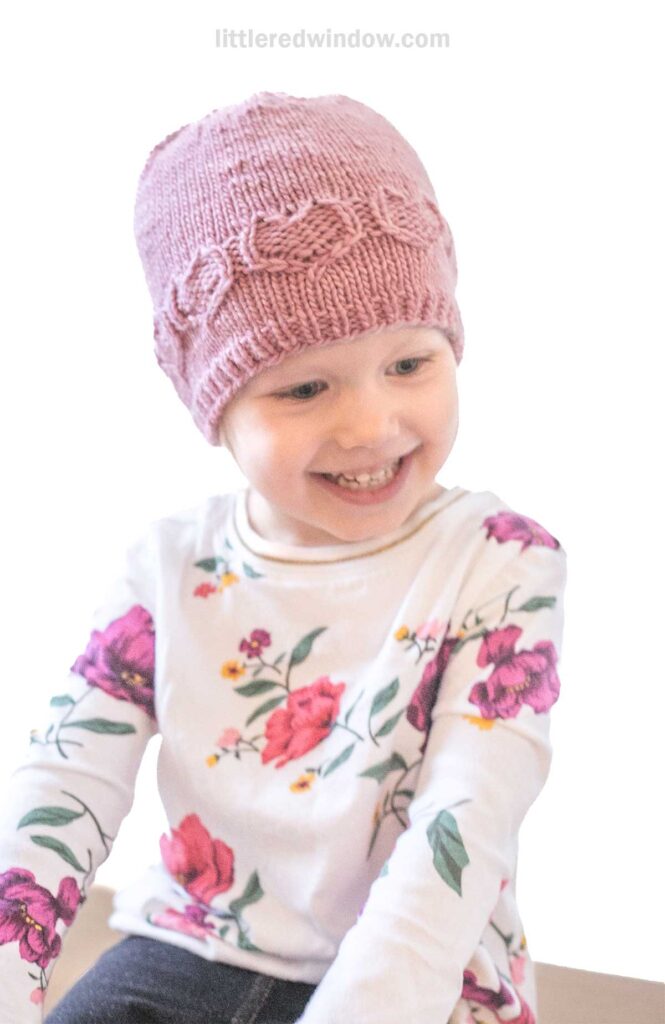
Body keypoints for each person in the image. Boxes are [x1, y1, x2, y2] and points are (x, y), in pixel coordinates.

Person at [0, 91, 567, 1024]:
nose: (372, 425)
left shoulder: (500, 561)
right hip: (189, 948)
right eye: (304, 388)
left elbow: (465, 821)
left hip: (424, 973)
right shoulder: (166, 566)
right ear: (213, 405)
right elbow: (64, 778)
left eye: (409, 365)